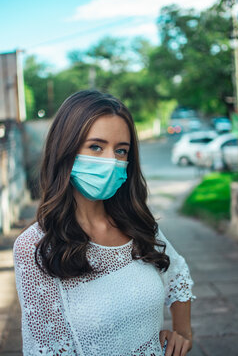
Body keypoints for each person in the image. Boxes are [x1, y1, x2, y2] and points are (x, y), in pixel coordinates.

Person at [13, 90, 196, 356]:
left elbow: (178, 274)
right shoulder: (36, 247)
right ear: (65, 149)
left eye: (121, 150)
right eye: (96, 147)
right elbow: (47, 349)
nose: (111, 161)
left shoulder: (136, 224)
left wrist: (183, 333)